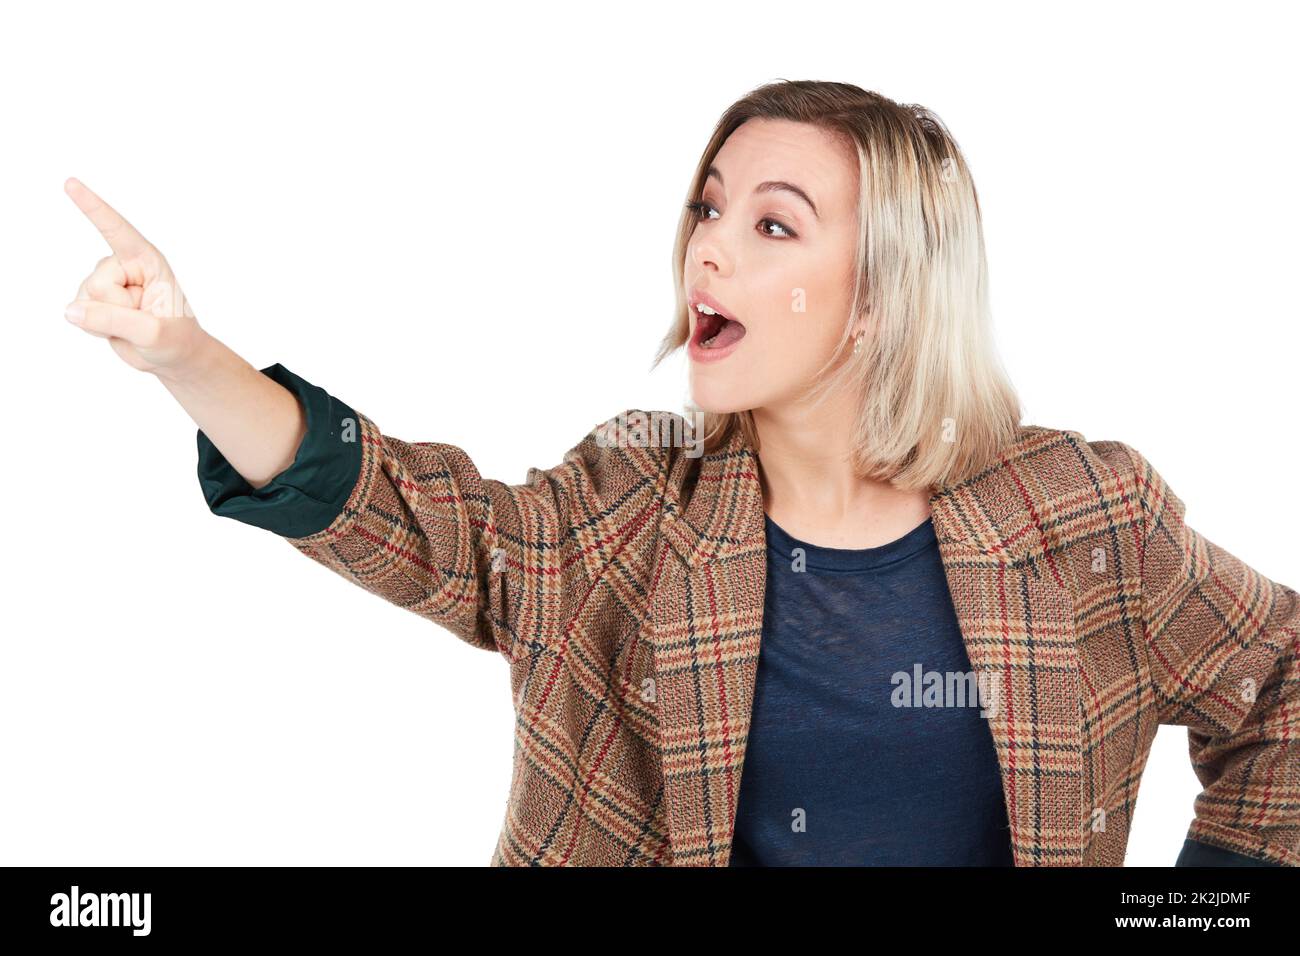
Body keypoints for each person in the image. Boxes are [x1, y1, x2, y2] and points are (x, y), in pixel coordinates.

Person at [61, 80, 1298, 867]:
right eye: (709, 209)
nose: (706, 248)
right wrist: (188, 355)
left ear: (883, 295)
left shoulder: (1080, 514)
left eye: (771, 224)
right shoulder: (634, 498)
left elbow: (1282, 690)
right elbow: (418, 521)